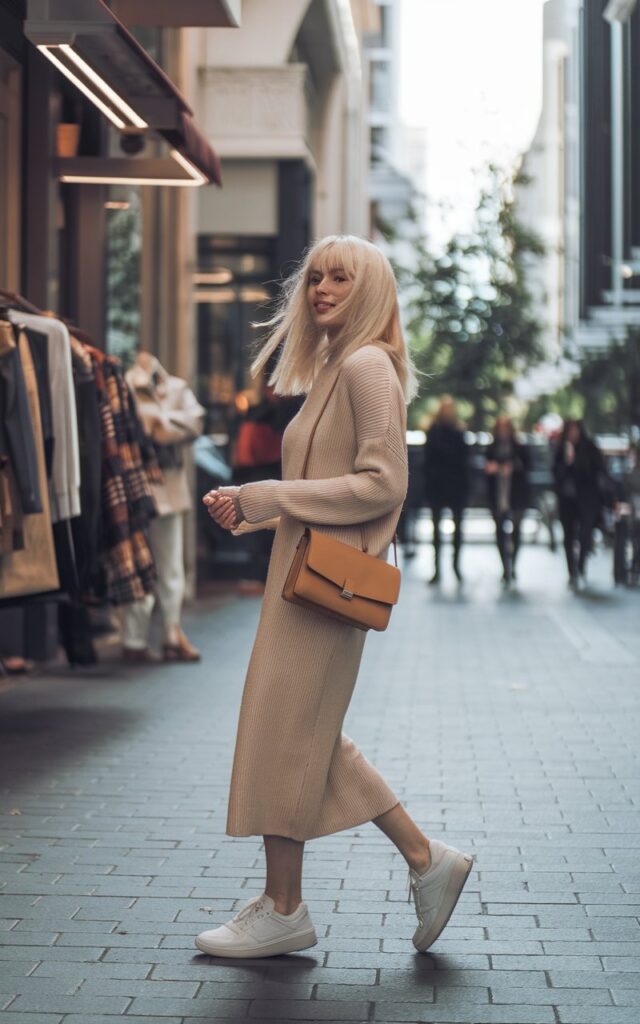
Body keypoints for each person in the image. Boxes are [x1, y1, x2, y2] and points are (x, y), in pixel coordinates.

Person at [197, 235, 474, 960]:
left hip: (321, 587)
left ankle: (286, 906)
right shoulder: (335, 367)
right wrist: (261, 506)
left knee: (286, 729)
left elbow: (382, 482)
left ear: (371, 286)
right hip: (300, 581)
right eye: (315, 277)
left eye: (339, 277)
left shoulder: (365, 366)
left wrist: (266, 498)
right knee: (301, 735)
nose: (320, 287)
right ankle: (423, 861)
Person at [120, 353, 205, 663]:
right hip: (136, 486)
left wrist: (161, 423)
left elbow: (193, 423)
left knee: (170, 565)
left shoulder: (177, 388)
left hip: (168, 487)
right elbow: (135, 429)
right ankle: (134, 638)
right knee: (138, 564)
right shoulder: (126, 385)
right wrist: (158, 423)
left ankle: (171, 631)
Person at [552, 419, 607, 589]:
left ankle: (581, 566)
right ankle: (572, 571)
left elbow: (596, 471)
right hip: (567, 499)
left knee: (585, 534)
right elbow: (556, 472)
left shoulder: (589, 448)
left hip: (586, 499)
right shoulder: (561, 449)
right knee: (568, 535)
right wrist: (567, 461)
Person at [424, 397, 468, 584]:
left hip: (454, 486)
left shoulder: (457, 432)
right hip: (439, 486)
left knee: (457, 529)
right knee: (437, 529)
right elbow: (428, 460)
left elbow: (464, 461)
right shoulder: (435, 431)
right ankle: (438, 569)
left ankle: (455, 567)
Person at [485, 416, 530, 586]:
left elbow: (526, 467)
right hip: (498, 496)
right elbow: (487, 468)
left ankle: (513, 564)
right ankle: (505, 567)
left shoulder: (519, 447)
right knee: (500, 532)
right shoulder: (492, 447)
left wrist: (512, 468)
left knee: (516, 531)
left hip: (515, 495)